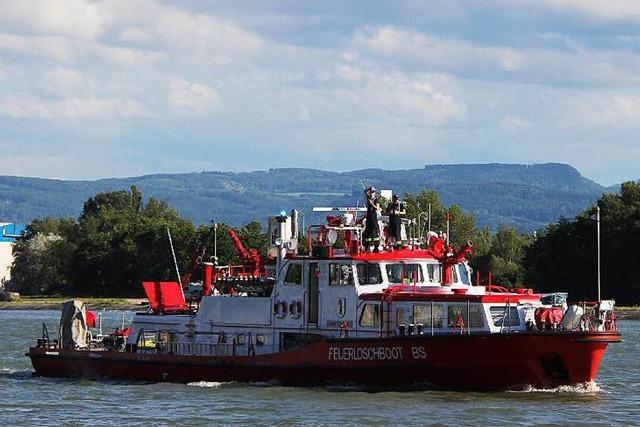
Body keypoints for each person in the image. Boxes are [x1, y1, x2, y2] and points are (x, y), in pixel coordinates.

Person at [363, 187, 381, 252]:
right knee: (368, 231)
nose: (371, 194)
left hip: (373, 216)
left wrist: (372, 204)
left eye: (373, 192)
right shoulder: (369, 198)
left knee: (374, 231)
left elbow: (377, 208)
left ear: (375, 193)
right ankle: (367, 247)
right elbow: (365, 191)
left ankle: (376, 247)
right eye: (371, 192)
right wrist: (369, 188)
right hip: (369, 216)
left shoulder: (376, 200)